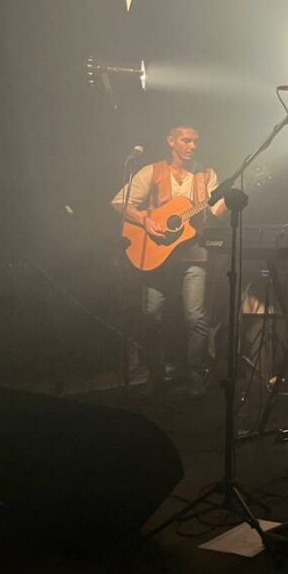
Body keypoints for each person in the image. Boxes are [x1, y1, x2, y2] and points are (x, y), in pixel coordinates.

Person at [112, 126, 227, 397]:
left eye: (195, 141)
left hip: (194, 255)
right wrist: (145, 220)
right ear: (171, 142)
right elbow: (119, 202)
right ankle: (155, 376)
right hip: (156, 256)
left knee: (195, 317)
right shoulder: (151, 171)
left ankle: (196, 378)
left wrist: (226, 201)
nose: (192, 146)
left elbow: (215, 211)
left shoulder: (206, 174)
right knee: (151, 314)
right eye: (186, 141)